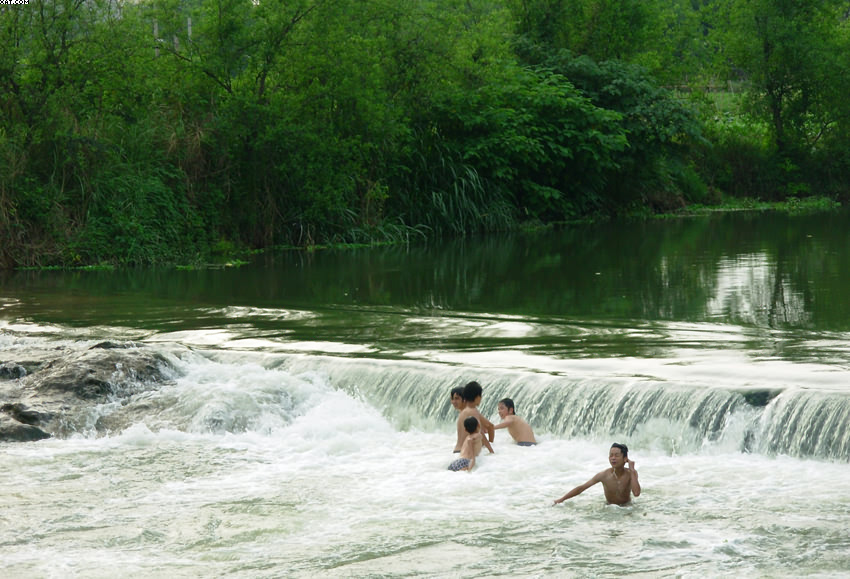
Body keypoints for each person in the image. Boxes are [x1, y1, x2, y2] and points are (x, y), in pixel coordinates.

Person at [553, 443, 641, 506]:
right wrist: (561, 500)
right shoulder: (604, 475)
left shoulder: (631, 474)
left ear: (625, 458)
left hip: (627, 507)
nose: (613, 458)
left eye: (617, 455)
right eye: (611, 455)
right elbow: (581, 488)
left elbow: (636, 493)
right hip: (609, 508)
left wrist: (632, 470)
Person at [454, 381, 495, 453]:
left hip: (457, 451)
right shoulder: (473, 411)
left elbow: (488, 426)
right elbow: (479, 432)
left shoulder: (464, 411)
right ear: (477, 397)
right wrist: (490, 450)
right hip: (466, 453)